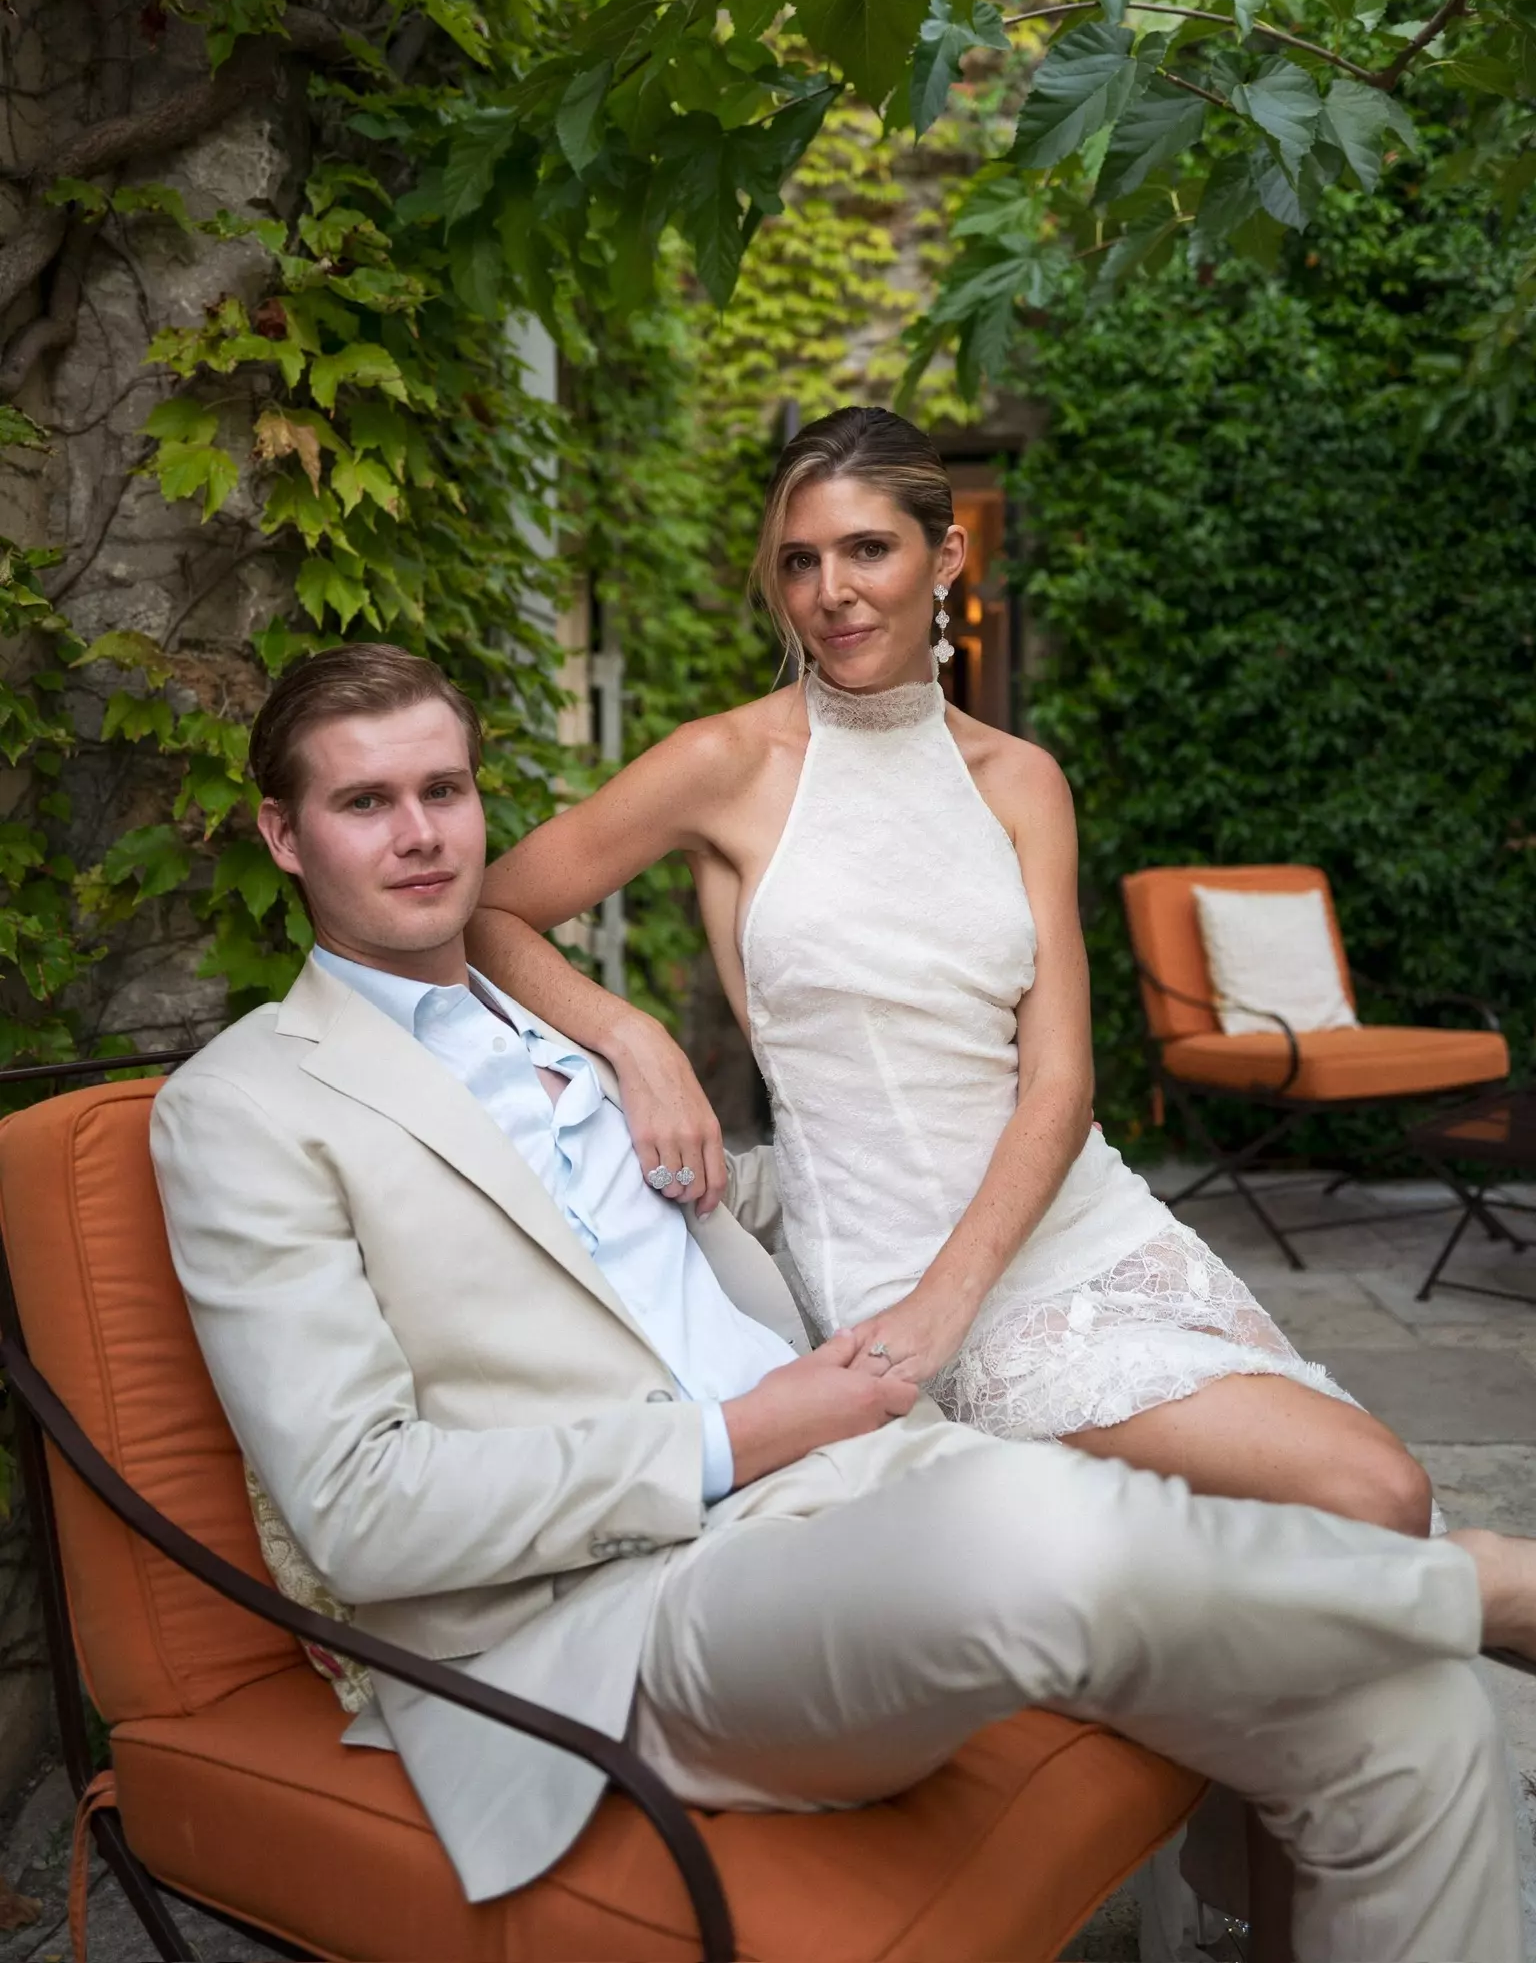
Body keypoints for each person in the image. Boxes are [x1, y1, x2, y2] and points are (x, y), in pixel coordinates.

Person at [149, 641, 1536, 1961]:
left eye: (442, 790)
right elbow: (362, 1507)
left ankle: (1433, 1624)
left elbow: (744, 1205)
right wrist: (749, 1431)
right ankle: (1477, 1582)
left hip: (860, 1484)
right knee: (1018, 1512)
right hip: (625, 1608)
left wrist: (898, 1169)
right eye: (365, 803)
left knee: (1417, 1720)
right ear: (284, 834)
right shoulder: (246, 1107)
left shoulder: (572, 1042)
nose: (419, 834)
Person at [470, 407, 1433, 1538]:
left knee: (1369, 1504)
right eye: (800, 561)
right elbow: (488, 912)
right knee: (1369, 1497)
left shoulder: (1022, 780)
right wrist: (636, 1039)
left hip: (1086, 1230)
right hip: (890, 1267)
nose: (833, 591)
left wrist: (953, 1297)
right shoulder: (724, 763)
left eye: (868, 549)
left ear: (946, 556)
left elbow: (1060, 1085)